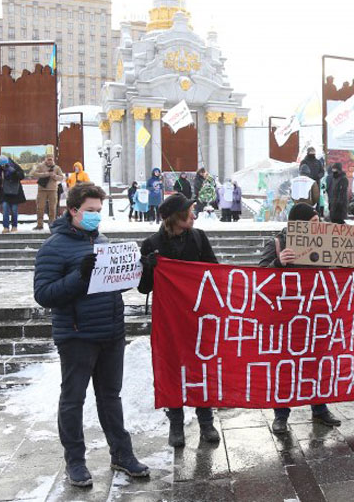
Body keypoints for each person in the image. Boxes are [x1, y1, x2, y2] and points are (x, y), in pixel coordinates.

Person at [34, 183, 149, 487]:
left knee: (110, 397)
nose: (96, 216)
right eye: (90, 211)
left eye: (99, 211)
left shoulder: (102, 240)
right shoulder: (53, 247)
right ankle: (75, 461)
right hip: (77, 335)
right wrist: (79, 275)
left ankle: (122, 454)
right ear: (73, 210)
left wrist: (136, 271)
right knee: (73, 399)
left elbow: (112, 284)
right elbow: (44, 295)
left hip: (111, 332)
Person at [137, 193, 221, 448]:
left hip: (197, 318)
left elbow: (214, 272)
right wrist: (149, 267)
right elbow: (144, 288)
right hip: (169, 321)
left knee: (201, 368)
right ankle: (176, 423)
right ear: (176, 217)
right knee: (172, 369)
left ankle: (206, 422)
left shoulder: (199, 237)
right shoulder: (151, 244)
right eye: (189, 212)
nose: (194, 216)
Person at [258, 203, 345, 434]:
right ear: (300, 224)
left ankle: (320, 408)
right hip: (287, 318)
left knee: (316, 364)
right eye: (314, 223)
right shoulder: (277, 243)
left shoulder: (325, 241)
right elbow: (260, 277)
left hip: (317, 315)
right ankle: (281, 415)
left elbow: (344, 266)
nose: (319, 226)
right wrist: (279, 263)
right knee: (285, 367)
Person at [30, 154, 65, 230]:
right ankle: (39, 224)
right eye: (48, 159)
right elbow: (34, 174)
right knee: (40, 208)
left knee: (52, 208)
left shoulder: (57, 168)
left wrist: (54, 176)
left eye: (51, 159)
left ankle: (52, 224)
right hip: (42, 190)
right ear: (45, 159)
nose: (49, 161)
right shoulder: (40, 166)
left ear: (53, 160)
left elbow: (62, 177)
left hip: (53, 190)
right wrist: (45, 174)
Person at [0, 155, 26, 234]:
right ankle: (6, 227)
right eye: (1, 165)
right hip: (5, 193)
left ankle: (14, 226)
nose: (3, 166)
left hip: (15, 192)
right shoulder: (0, 170)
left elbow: (21, 176)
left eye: (4, 165)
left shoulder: (14, 167)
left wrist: (14, 172)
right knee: (5, 210)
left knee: (14, 210)